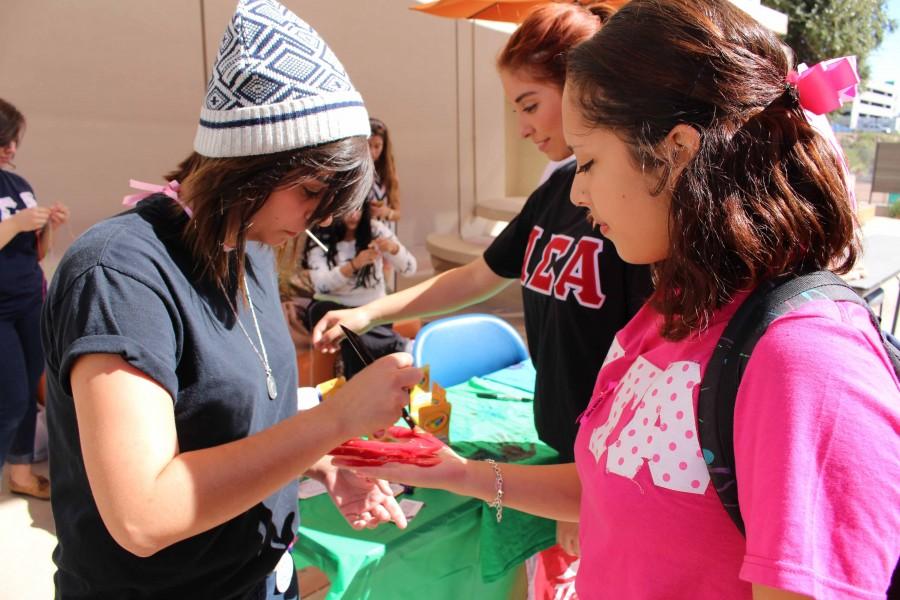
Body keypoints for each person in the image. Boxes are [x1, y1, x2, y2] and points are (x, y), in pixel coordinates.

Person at [345, 1, 900, 598]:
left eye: (589, 161)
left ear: (677, 152)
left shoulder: (804, 358)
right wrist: (455, 473)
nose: (578, 191)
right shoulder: (667, 314)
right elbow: (613, 485)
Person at [41, 2, 421, 598]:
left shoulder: (250, 247)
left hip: (262, 573)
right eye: (311, 191)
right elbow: (144, 513)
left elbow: (244, 421)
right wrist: (337, 418)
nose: (318, 219)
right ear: (247, 163)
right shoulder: (120, 272)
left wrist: (322, 460)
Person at [313, 1, 652, 560]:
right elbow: (481, 274)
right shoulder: (555, 190)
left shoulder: (639, 205)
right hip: (560, 443)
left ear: (581, 89)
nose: (522, 128)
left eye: (529, 105)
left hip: (611, 462)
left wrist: (591, 499)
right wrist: (370, 312)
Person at [0, 97, 69, 500]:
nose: (11, 149)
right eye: (5, 140)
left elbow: (37, 252)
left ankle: (21, 473)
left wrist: (49, 227)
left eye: (14, 140)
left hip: (29, 299)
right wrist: (15, 223)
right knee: (9, 398)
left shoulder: (18, 184)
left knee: (30, 389)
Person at [303, 199, 416, 378]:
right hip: (333, 305)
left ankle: (354, 387)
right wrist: (353, 265)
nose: (354, 215)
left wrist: (394, 249)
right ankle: (400, 346)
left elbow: (410, 269)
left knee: (351, 335)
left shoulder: (376, 230)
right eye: (348, 209)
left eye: (358, 209)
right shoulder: (322, 237)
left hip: (372, 308)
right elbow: (321, 285)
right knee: (326, 315)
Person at [366, 117, 400, 224]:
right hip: (362, 234)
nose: (372, 152)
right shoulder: (356, 172)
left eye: (377, 146)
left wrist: (386, 212)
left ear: (384, 146)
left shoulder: (388, 171)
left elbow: (398, 213)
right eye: (368, 145)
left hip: (386, 234)